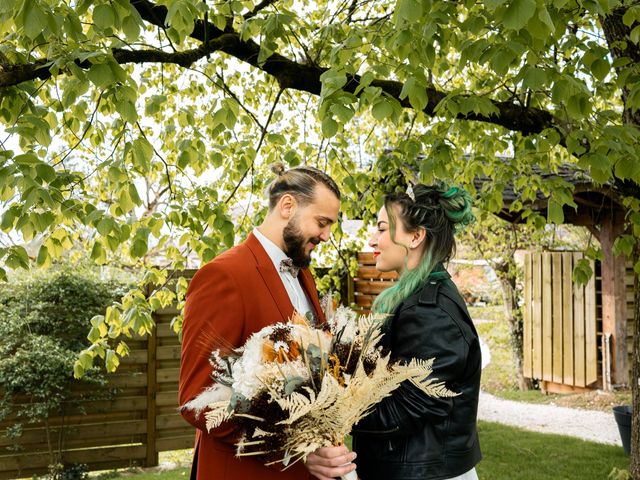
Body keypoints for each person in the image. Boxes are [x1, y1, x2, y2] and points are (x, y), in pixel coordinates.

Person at [178, 163, 352, 480]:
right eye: (322, 222)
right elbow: (197, 399)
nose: (327, 236)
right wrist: (296, 446)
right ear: (287, 206)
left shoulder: (305, 276)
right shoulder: (223, 276)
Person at [306, 183, 481, 480]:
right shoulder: (413, 298)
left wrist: (332, 413)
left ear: (415, 236)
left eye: (383, 229)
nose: (373, 240)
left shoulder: (430, 310)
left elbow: (411, 406)